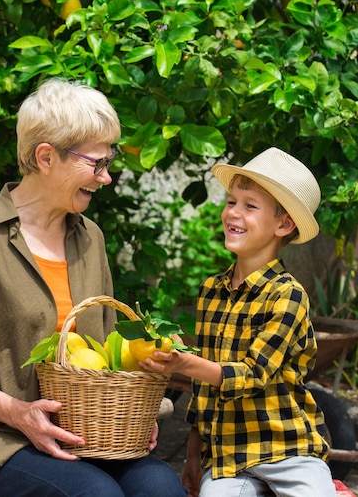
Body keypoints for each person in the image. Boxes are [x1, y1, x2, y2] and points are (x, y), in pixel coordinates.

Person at [0, 78, 187, 497]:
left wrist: (133, 412)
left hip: (87, 433)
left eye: (108, 162)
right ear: (45, 157)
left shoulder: (90, 236)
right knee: (95, 495)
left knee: (162, 489)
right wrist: (19, 414)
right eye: (96, 164)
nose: (106, 178)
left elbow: (111, 351)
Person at [141, 147, 337, 497]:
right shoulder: (211, 291)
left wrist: (186, 363)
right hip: (229, 456)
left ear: (283, 224)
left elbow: (252, 375)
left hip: (288, 450)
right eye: (231, 201)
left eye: (250, 206)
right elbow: (204, 392)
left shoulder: (287, 295)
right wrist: (193, 457)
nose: (232, 212)